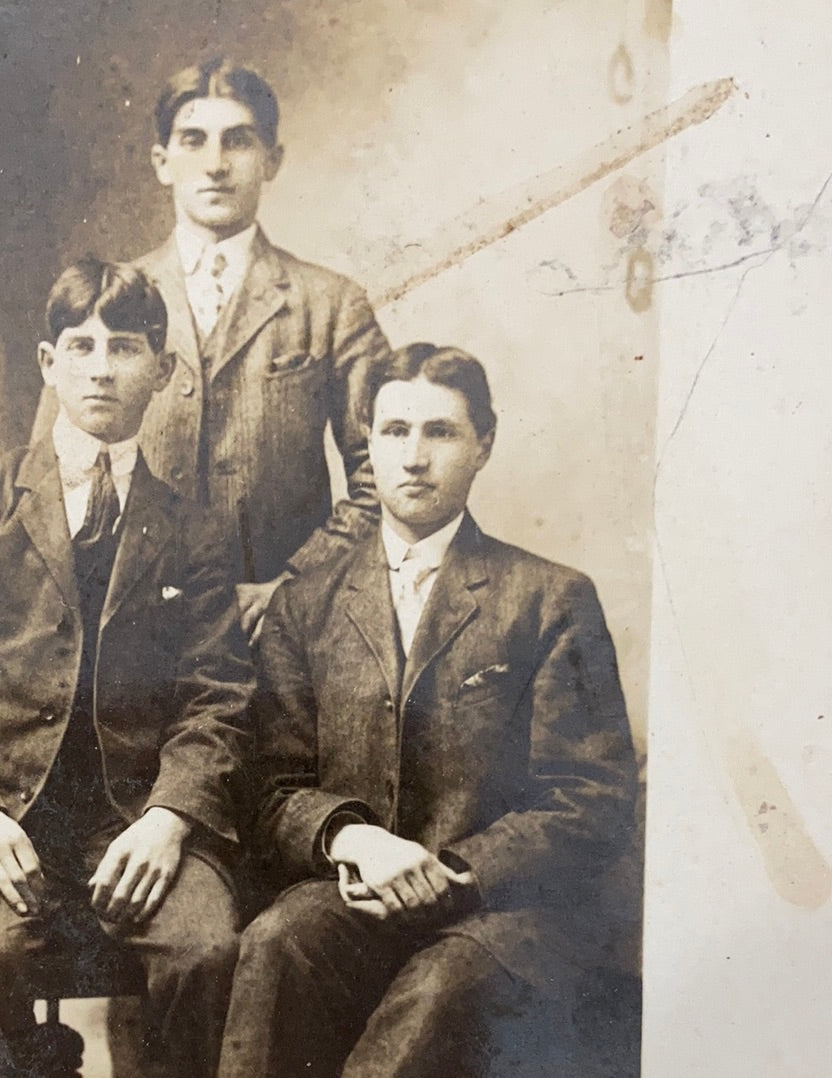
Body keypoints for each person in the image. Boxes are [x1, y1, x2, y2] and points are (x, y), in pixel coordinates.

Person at [0, 260, 253, 1078]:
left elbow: (219, 701)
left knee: (206, 948)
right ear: (49, 364)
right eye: (81, 345)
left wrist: (169, 819)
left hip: (132, 825)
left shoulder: (193, 531)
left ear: (163, 370)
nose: (102, 368)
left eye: (125, 347)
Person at [217, 343, 638, 1077]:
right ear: (367, 447)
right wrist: (353, 841)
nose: (414, 457)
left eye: (440, 432)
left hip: (501, 917)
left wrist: (458, 872)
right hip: (357, 896)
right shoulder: (306, 603)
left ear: (484, 444)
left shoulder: (549, 599)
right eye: (394, 432)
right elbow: (272, 790)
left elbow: (590, 798)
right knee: (276, 945)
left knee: (433, 996)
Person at [37, 58, 391, 640]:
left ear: (272, 159)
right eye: (193, 140)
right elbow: (48, 474)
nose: (216, 165)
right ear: (162, 162)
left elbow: (384, 478)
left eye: (239, 141)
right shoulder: (106, 302)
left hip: (280, 634)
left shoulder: (330, 303)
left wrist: (295, 587)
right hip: (130, 640)